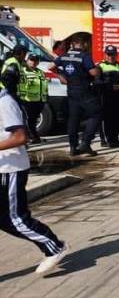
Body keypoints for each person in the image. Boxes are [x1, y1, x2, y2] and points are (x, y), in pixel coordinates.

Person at [0, 85, 69, 275]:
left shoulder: (4, 101)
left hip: (9, 169)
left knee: (13, 218)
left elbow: (20, 136)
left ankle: (53, 246)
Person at [49, 35, 101, 156]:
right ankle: (85, 142)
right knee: (97, 114)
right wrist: (97, 70)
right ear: (84, 44)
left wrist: (61, 75)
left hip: (71, 91)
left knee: (74, 119)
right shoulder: (84, 56)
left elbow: (50, 67)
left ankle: (73, 148)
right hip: (84, 90)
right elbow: (93, 72)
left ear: (72, 44)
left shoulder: (64, 56)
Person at [97, 46, 119, 148]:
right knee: (106, 119)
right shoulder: (100, 66)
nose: (111, 57)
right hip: (105, 96)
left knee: (117, 119)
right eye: (108, 54)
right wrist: (110, 86)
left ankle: (114, 138)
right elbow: (97, 82)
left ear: (116, 54)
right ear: (105, 54)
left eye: (113, 54)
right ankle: (105, 140)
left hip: (118, 97)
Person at [20, 54, 48, 144]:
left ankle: (34, 137)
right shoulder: (23, 72)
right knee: (28, 121)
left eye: (36, 60)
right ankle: (31, 137)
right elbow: (21, 86)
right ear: (27, 60)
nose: (33, 62)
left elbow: (44, 85)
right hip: (28, 100)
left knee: (33, 121)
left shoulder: (40, 72)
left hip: (39, 100)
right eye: (31, 60)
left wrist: (46, 97)